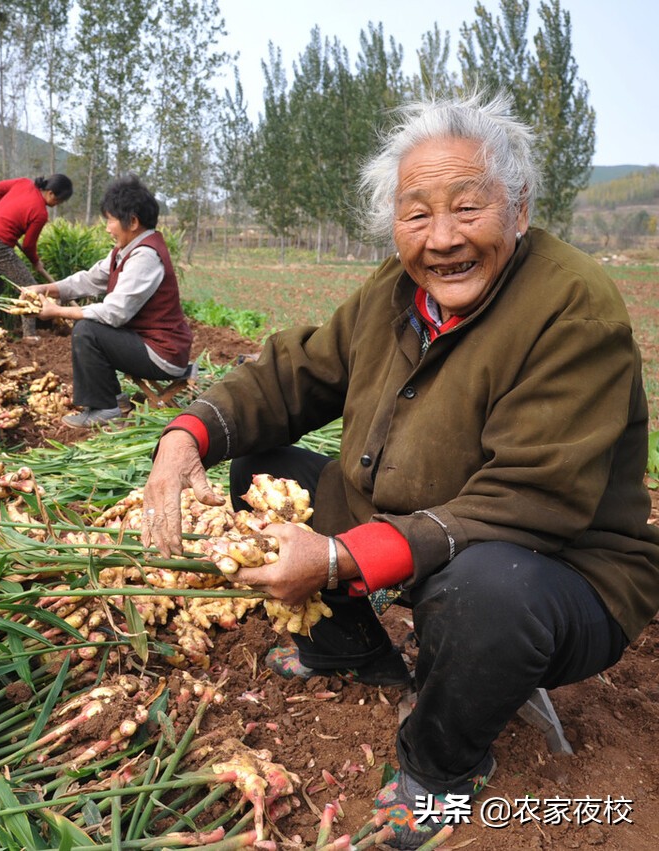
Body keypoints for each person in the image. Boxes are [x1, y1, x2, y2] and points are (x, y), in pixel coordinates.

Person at [139, 92, 659, 849]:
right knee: (261, 466)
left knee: (487, 591)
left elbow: (528, 499)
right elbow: (290, 378)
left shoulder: (572, 308)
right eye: (418, 214)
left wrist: (341, 556)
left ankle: (444, 769)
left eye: (467, 208)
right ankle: (350, 648)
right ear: (395, 223)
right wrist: (187, 435)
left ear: (518, 208)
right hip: (419, 536)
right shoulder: (396, 293)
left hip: (556, 572)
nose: (442, 238)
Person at [24, 174, 193, 429]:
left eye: (111, 220)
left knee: (87, 330)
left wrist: (56, 311)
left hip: (163, 353)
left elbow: (115, 312)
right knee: (89, 326)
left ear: (132, 222)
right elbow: (89, 280)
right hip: (148, 343)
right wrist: (46, 288)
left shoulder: (145, 257)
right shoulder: (125, 251)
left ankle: (105, 408)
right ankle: (113, 399)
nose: (107, 228)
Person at [0, 173, 73, 340]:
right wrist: (36, 262)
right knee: (29, 288)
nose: (56, 205)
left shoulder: (23, 183)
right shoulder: (40, 213)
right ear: (50, 193)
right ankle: (29, 336)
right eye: (58, 201)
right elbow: (28, 245)